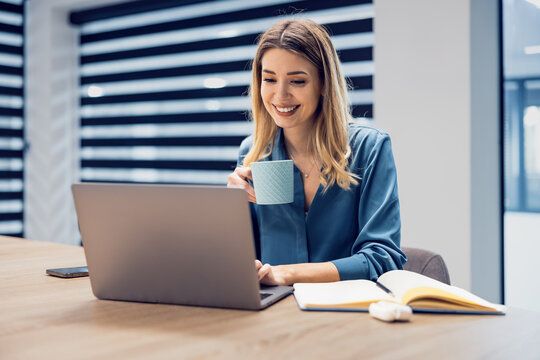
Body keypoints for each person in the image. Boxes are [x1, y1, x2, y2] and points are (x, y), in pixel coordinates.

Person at [227, 19, 406, 286]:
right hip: (274, 314)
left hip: (347, 312)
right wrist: (231, 210)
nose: (280, 95)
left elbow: (383, 258)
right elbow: (241, 259)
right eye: (270, 79)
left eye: (297, 81)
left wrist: (286, 274)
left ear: (323, 84)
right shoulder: (254, 154)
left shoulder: (369, 149)